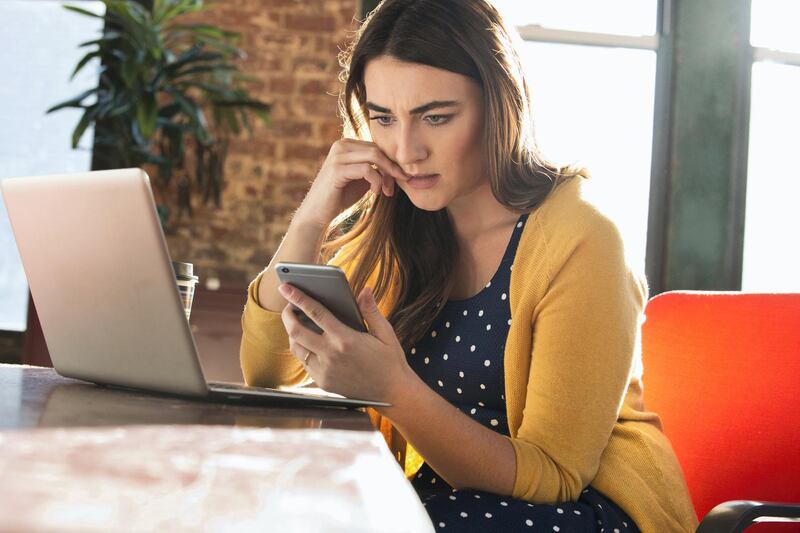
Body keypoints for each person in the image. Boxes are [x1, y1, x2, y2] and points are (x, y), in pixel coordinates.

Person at [240, 0, 697, 531]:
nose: (407, 150)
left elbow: (555, 477)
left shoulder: (582, 237)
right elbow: (267, 372)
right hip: (449, 504)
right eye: (384, 118)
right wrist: (311, 216)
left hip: (582, 510)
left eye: (436, 117)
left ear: (499, 106)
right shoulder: (402, 223)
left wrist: (392, 390)